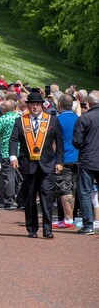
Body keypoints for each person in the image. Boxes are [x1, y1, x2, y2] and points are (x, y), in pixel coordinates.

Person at [9, 89, 64, 238]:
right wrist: (13, 157)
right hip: (28, 165)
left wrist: (59, 162)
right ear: (27, 106)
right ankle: (32, 228)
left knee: (46, 196)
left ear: (42, 106)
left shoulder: (52, 120)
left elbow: (59, 143)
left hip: (47, 165)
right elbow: (13, 140)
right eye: (32, 104)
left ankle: (47, 229)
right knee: (30, 197)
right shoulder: (20, 121)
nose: (34, 107)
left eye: (37, 104)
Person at [73, 90, 99, 235]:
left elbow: (76, 141)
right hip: (90, 157)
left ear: (89, 103)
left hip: (88, 158)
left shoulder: (85, 118)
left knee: (84, 192)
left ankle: (88, 224)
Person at [54, 93, 79, 228]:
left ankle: (68, 219)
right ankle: (70, 217)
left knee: (65, 189)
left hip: (64, 158)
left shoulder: (58, 119)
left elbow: (55, 141)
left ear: (60, 104)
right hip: (77, 157)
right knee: (73, 188)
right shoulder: (78, 118)